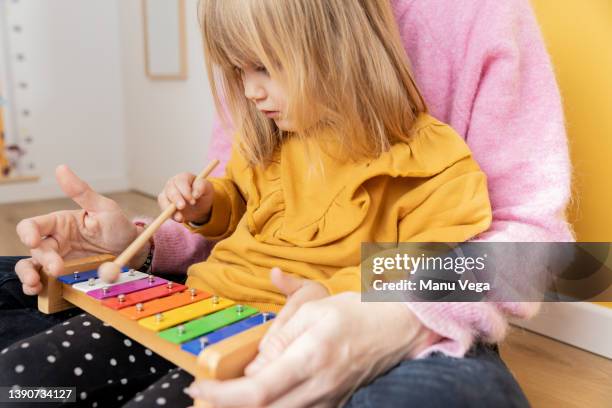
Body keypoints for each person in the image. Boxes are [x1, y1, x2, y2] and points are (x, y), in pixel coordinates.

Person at [0, 0, 573, 406]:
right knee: (21, 382)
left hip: (294, 328)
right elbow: (232, 213)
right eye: (238, 70)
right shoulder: (270, 130)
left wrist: (377, 306)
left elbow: (527, 257)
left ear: (340, 46)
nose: (248, 92)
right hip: (205, 300)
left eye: (263, 68)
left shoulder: (432, 160)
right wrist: (151, 237)